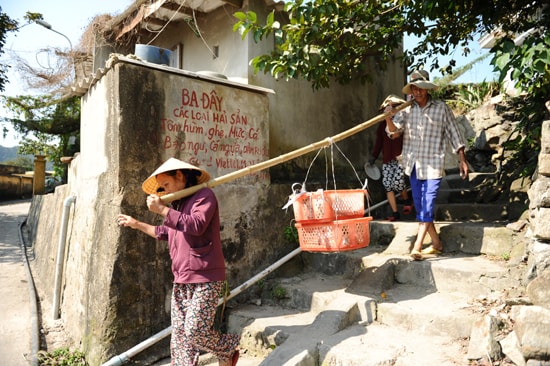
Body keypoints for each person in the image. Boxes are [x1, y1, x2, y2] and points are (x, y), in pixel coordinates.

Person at [117, 158, 240, 366]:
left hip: (206, 276)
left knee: (195, 331)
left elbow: (196, 225)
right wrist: (136, 224)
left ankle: (227, 347)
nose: (163, 190)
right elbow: (163, 232)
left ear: (180, 176)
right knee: (181, 339)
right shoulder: (178, 204)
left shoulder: (204, 196)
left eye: (166, 185)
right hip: (181, 278)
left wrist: (163, 211)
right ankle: (220, 354)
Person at [384, 70, 469, 260]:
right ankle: (437, 244)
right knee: (421, 206)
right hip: (413, 165)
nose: (418, 92)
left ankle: (417, 246)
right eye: (414, 88)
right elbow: (394, 133)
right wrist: (389, 117)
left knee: (427, 204)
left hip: (433, 164)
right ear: (411, 90)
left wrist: (462, 159)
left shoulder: (441, 108)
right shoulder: (406, 109)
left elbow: (455, 133)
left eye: (421, 88)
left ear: (427, 89)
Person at [369, 94, 413, 221]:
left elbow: (399, 135)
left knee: (398, 182)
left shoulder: (403, 122)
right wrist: (374, 156)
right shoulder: (382, 126)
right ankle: (395, 213)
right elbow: (379, 143)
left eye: (392, 107)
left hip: (401, 157)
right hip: (387, 159)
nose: (389, 110)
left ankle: (406, 200)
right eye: (387, 108)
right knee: (387, 185)